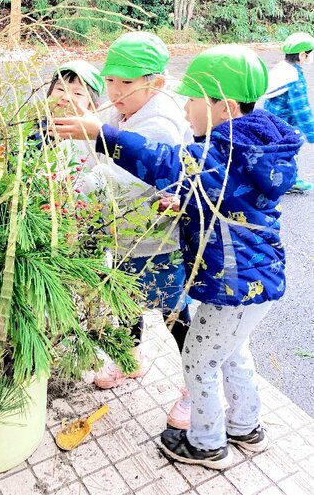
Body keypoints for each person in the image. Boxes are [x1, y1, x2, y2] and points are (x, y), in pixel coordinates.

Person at [53, 45, 302, 469]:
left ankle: (206, 444)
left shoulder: (223, 153)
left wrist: (101, 134)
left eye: (192, 99)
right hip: (254, 280)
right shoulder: (250, 146)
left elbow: (165, 162)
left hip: (233, 284)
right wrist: (186, 199)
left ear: (221, 106)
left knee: (199, 363)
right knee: (234, 354)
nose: (185, 107)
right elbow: (227, 197)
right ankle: (246, 427)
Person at [74, 32, 193, 425]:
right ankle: (130, 360)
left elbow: (124, 180)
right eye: (110, 80)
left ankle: (196, 386)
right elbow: (93, 148)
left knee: (172, 311)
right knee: (127, 300)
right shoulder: (120, 111)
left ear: (155, 83)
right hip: (124, 234)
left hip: (157, 238)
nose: (115, 90)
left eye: (126, 83)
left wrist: (77, 190)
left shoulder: (161, 123)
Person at [263, 31, 314, 192]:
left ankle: (271, 178)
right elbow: (301, 109)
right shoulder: (294, 77)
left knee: (275, 151)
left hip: (271, 118)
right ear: (302, 55)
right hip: (285, 123)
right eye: (310, 54)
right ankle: (290, 181)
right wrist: (311, 132)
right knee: (289, 151)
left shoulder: (281, 68)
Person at [30, 59, 104, 168]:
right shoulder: (34, 130)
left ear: (92, 107)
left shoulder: (94, 141)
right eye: (60, 89)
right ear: (49, 94)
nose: (65, 97)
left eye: (77, 93)